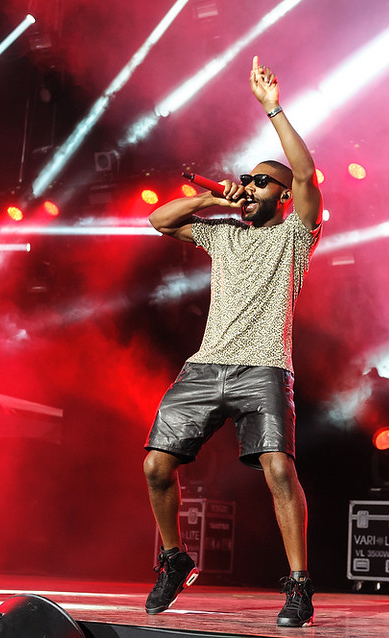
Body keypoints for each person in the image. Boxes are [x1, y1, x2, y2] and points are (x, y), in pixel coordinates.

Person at [142, 56, 322, 628]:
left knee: (277, 470)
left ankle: (298, 584)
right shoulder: (222, 233)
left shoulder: (297, 233)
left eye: (262, 181)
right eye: (248, 178)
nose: (251, 186)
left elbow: (306, 173)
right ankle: (174, 559)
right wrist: (213, 199)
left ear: (283, 196)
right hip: (205, 366)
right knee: (154, 467)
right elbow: (159, 222)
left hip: (264, 367)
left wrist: (272, 107)